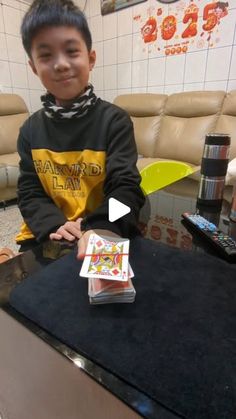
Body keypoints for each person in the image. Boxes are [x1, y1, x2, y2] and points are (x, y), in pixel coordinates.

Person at [14, 0, 145, 259]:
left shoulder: (115, 121)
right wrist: (54, 225)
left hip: (101, 226)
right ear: (33, 67)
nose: (61, 64)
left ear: (91, 58)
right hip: (50, 230)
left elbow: (127, 187)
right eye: (46, 55)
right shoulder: (30, 130)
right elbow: (29, 192)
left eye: (71, 51)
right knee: (27, 294)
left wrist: (102, 226)